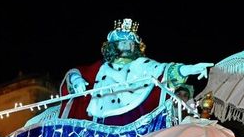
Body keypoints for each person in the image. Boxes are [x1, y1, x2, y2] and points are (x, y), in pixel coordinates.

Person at [57, 18, 210, 126]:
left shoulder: (141, 65)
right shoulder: (101, 67)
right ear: (113, 46)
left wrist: (188, 69)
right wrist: (76, 79)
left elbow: (163, 70)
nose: (126, 46)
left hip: (131, 121)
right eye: (122, 43)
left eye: (129, 43)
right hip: (99, 124)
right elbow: (78, 73)